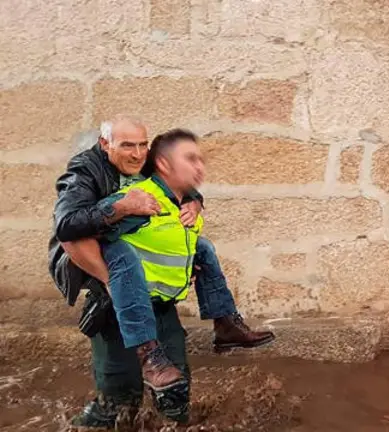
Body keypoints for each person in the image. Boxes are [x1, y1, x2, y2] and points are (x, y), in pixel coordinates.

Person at [48, 118, 274, 427]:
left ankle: (223, 324)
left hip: (159, 303)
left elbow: (176, 187)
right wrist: (121, 214)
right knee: (117, 405)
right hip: (113, 303)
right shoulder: (86, 172)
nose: (138, 153)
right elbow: (68, 230)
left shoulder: (148, 173)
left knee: (175, 396)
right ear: (105, 145)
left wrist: (194, 203)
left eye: (143, 145)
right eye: (127, 145)